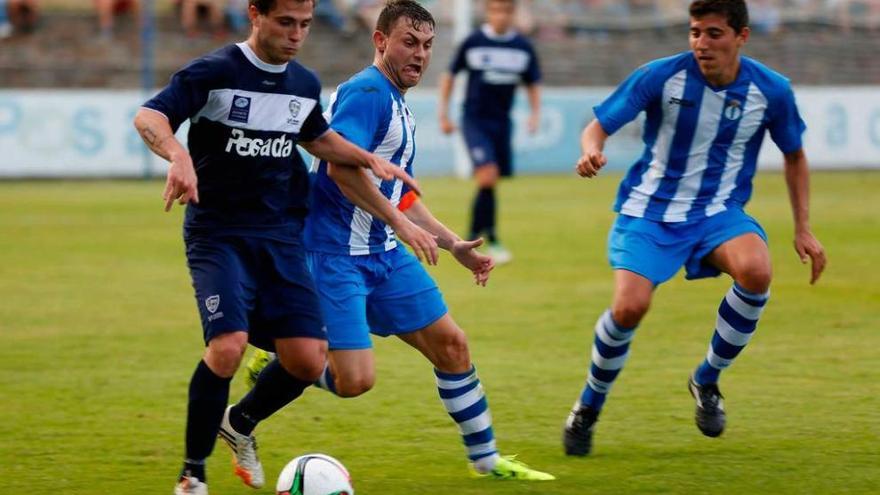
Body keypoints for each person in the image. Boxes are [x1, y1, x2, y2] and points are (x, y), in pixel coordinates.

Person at [245, 0, 554, 481]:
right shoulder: (368, 93)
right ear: (380, 40)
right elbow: (339, 169)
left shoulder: (397, 100)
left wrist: (452, 244)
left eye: (428, 45)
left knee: (452, 346)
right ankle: (288, 356)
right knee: (354, 383)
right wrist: (403, 226)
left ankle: (488, 461)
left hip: (383, 256)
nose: (420, 54)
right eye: (409, 42)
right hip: (335, 256)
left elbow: (398, 193)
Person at [132, 1, 431, 494]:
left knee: (309, 361)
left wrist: (370, 161)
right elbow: (150, 117)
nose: (296, 35)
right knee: (227, 346)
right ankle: (192, 474)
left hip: (281, 236)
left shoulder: (303, 84)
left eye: (305, 25)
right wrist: (177, 154)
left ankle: (240, 425)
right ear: (255, 14)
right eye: (286, 23)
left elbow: (319, 140)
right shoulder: (216, 72)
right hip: (220, 233)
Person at [562, 0, 827, 457]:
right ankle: (588, 406)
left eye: (714, 34)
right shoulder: (662, 76)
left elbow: (795, 156)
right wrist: (591, 150)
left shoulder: (772, 91)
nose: (701, 43)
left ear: (741, 36)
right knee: (629, 309)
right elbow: (598, 127)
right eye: (695, 32)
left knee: (757, 270)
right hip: (650, 211)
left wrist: (804, 227)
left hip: (717, 212)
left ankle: (706, 379)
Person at [437, 0, 542, 265]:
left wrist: (534, 114)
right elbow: (449, 76)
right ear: (488, 11)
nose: (501, 16)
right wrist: (444, 114)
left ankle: (477, 236)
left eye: (506, 10)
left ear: (513, 13)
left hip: (502, 123)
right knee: (487, 176)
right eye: (496, 10)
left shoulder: (522, 47)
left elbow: (533, 83)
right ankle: (488, 238)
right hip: (474, 120)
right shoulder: (473, 42)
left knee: (491, 180)